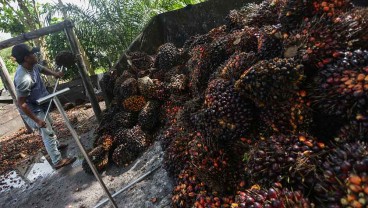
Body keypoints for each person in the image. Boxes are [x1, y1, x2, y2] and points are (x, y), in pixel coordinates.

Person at [12, 43, 76, 169]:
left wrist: (55, 74)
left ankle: (56, 145)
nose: (35, 55)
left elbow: (42, 69)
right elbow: (22, 103)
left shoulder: (33, 65)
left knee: (49, 125)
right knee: (46, 132)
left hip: (41, 102)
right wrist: (37, 120)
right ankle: (57, 161)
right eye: (32, 53)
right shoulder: (24, 78)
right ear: (26, 58)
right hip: (32, 109)